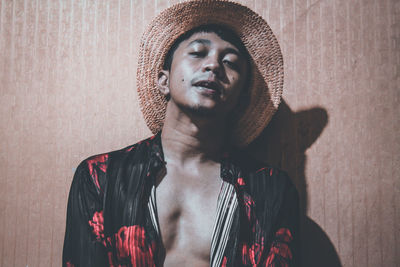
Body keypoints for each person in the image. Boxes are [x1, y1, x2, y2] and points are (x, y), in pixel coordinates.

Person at [62, 1, 299, 266]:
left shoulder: (270, 189)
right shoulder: (101, 176)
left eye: (230, 62)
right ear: (163, 80)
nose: (214, 66)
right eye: (198, 53)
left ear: (241, 100)